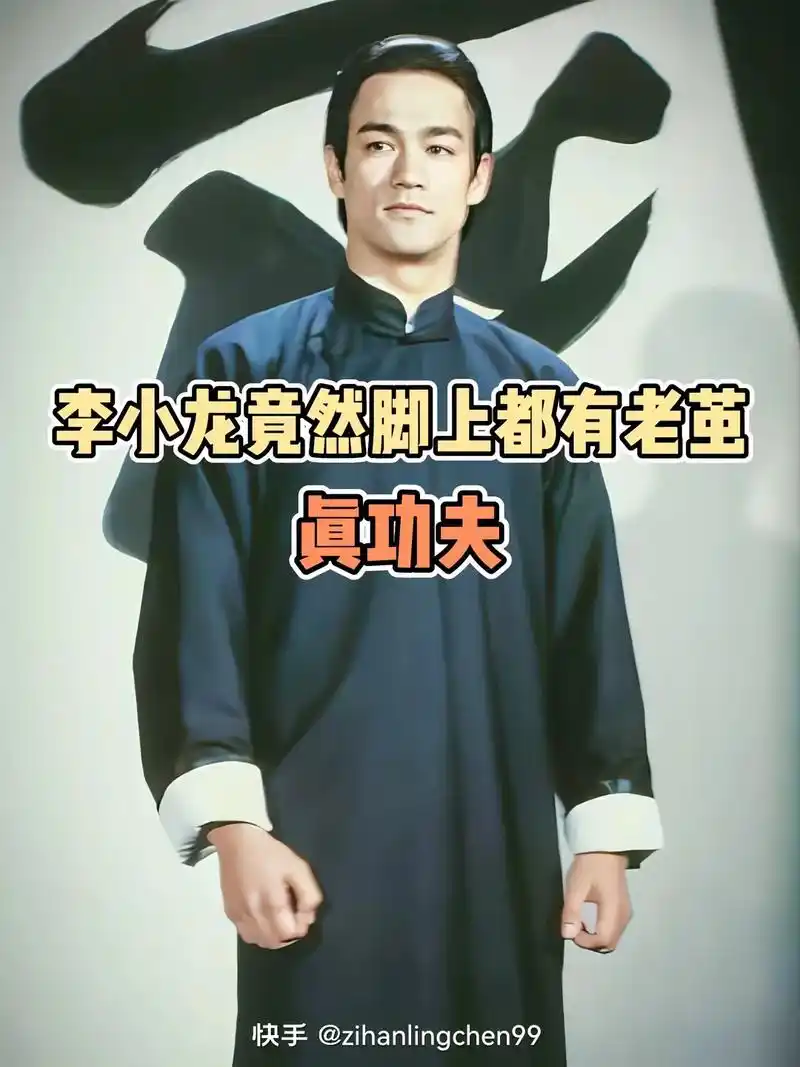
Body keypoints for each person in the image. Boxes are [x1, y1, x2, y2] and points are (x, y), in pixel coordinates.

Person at [135, 34, 664, 1066]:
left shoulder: (537, 389)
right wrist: (234, 827)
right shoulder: (244, 371)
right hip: (314, 847)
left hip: (495, 838)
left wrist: (601, 826)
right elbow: (194, 610)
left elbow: (586, 617)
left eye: (439, 146)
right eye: (378, 143)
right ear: (336, 169)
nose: (407, 171)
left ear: (479, 177)